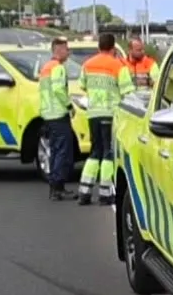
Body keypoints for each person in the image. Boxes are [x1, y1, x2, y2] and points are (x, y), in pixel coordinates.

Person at [77, 32, 134, 206]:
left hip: (93, 113)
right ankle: (105, 193)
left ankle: (84, 191)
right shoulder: (118, 66)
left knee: (95, 152)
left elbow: (82, 85)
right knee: (108, 153)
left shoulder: (88, 64)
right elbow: (128, 92)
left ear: (99, 46)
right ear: (113, 47)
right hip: (110, 114)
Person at [38, 38, 77, 201]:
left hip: (48, 114)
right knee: (63, 151)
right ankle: (58, 188)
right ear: (58, 50)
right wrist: (69, 106)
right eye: (66, 49)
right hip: (58, 114)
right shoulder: (58, 68)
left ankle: (54, 187)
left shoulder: (45, 67)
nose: (68, 52)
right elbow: (59, 90)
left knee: (55, 151)